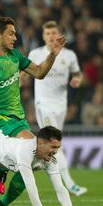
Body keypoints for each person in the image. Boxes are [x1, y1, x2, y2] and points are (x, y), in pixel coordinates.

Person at [0, 16, 66, 206]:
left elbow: (40, 72)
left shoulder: (15, 56)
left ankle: (1, 201)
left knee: (32, 163)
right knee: (34, 152)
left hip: (19, 119)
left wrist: (52, 55)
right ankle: (1, 170)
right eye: (11, 33)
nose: (15, 37)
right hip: (1, 120)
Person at [28, 21, 87, 196]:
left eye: (54, 33)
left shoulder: (69, 56)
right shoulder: (36, 54)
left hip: (61, 105)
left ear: (58, 34)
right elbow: (25, 71)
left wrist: (77, 79)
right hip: (43, 104)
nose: (51, 36)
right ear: (43, 36)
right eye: (47, 33)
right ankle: (70, 185)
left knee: (49, 144)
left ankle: (30, 162)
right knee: (55, 143)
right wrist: (21, 77)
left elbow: (77, 73)